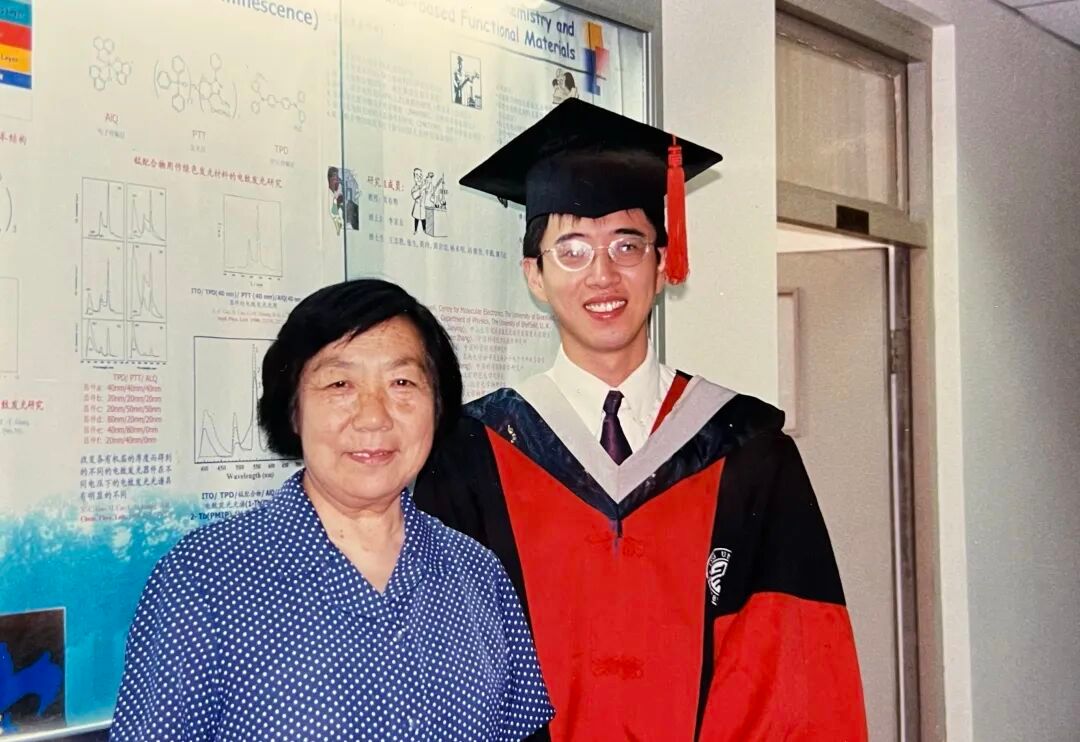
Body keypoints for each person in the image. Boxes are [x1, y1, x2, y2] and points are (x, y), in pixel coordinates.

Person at [414, 99, 867, 741]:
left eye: (627, 246)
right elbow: (444, 668)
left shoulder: (748, 452)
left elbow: (794, 672)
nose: (602, 274)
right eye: (571, 250)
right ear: (534, 276)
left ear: (661, 265)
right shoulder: (469, 455)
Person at [110, 279, 554, 741]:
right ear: (293, 409)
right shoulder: (203, 577)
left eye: (402, 383)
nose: (374, 416)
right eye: (340, 384)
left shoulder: (477, 572)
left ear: (437, 405)